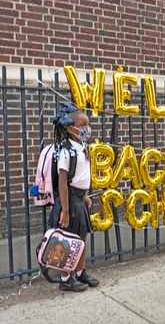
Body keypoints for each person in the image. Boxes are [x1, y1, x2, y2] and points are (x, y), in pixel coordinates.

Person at [49, 105, 99, 292]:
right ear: (71, 128)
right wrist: (66, 210)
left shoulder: (82, 147)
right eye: (83, 125)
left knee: (81, 238)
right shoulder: (65, 151)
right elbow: (63, 182)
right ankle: (65, 277)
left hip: (80, 199)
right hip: (69, 199)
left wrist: (85, 196)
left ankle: (80, 272)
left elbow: (81, 175)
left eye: (88, 124)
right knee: (68, 240)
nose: (87, 128)